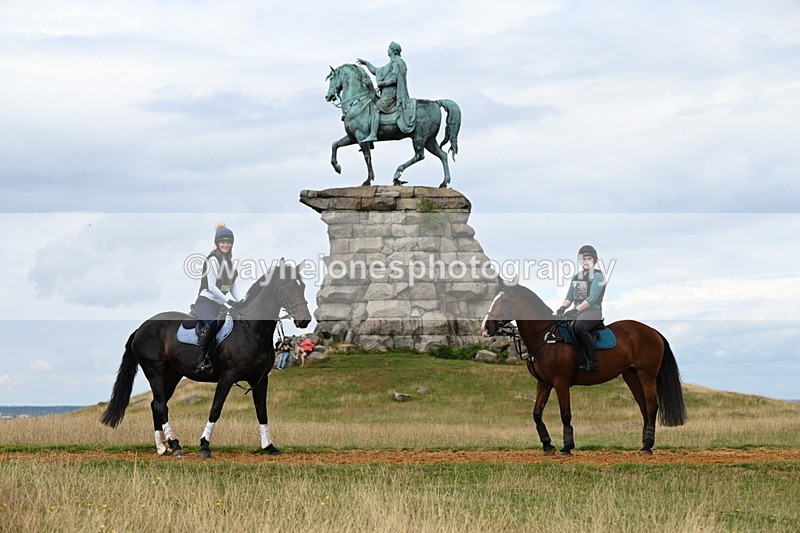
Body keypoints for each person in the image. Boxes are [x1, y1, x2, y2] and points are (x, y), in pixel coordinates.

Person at [194, 223, 245, 375]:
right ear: (217, 243)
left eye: (228, 242)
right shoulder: (212, 260)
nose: (226, 245)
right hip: (205, 301)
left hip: (219, 304)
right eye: (223, 242)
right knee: (212, 324)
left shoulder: (230, 264)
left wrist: (241, 302)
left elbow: (233, 286)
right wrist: (228, 301)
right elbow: (212, 287)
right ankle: (201, 362)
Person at [556, 245, 607, 372]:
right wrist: (562, 307)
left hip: (592, 311)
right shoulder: (576, 277)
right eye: (584, 259)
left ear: (594, 260)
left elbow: (592, 298)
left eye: (589, 258)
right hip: (577, 312)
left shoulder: (598, 276)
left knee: (579, 327)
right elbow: (569, 297)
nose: (586, 261)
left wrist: (575, 310)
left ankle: (592, 361)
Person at [356, 41, 416, 142]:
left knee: (375, 108)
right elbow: (376, 71)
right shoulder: (390, 64)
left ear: (393, 50)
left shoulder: (397, 63)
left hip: (391, 95)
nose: (387, 50)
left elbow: (394, 79)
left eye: (388, 48)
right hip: (386, 94)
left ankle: (373, 134)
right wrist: (366, 63)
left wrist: (382, 84)